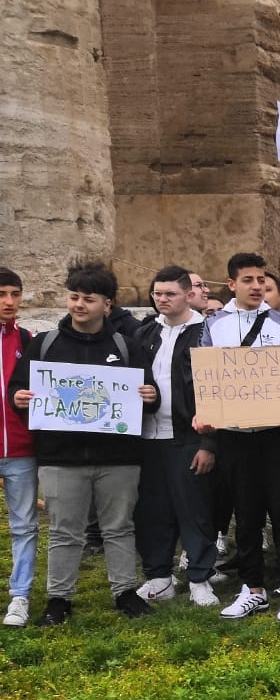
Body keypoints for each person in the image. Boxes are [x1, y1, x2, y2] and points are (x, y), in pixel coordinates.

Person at [7, 261, 159, 624]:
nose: (79, 305)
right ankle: (59, 599)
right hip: (61, 458)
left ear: (107, 304)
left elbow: (150, 400)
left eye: (88, 299)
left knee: (120, 528)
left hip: (119, 458)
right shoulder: (45, 346)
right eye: (73, 297)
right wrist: (21, 399)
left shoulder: (126, 346)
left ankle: (125, 592)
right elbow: (18, 389)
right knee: (64, 531)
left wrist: (150, 397)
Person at [195, 252, 280, 622]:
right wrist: (205, 413)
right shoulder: (213, 325)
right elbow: (205, 377)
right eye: (248, 280)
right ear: (231, 284)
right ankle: (253, 587)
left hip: (279, 433)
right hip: (236, 435)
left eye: (261, 279)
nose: (257, 286)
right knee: (246, 513)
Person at [132, 266, 218, 607]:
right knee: (152, 510)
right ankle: (159, 576)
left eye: (169, 293)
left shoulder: (206, 333)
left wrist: (209, 444)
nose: (162, 299)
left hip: (189, 437)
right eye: (157, 293)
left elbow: (215, 391)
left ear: (187, 294)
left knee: (194, 508)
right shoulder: (144, 333)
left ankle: (200, 577)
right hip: (147, 437)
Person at [0, 267, 38, 626]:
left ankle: (20, 596)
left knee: (24, 525)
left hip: (21, 450)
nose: (9, 302)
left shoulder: (27, 340)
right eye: (1, 295)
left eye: (14, 293)